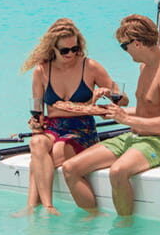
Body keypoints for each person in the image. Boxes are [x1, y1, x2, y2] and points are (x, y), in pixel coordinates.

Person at [62, 14, 160, 218]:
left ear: (136, 43)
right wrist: (112, 111)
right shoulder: (144, 67)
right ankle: (92, 218)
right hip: (135, 137)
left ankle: (124, 227)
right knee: (71, 168)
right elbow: (147, 111)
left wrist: (125, 119)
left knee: (118, 172)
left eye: (124, 46)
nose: (125, 51)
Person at [16, 18, 118, 216]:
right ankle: (47, 205)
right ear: (53, 48)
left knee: (48, 155)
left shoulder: (90, 67)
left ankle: (32, 206)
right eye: (65, 50)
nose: (71, 54)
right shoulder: (42, 71)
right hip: (53, 128)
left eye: (75, 48)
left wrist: (108, 93)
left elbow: (122, 99)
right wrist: (36, 122)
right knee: (37, 143)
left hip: (82, 129)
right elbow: (38, 107)